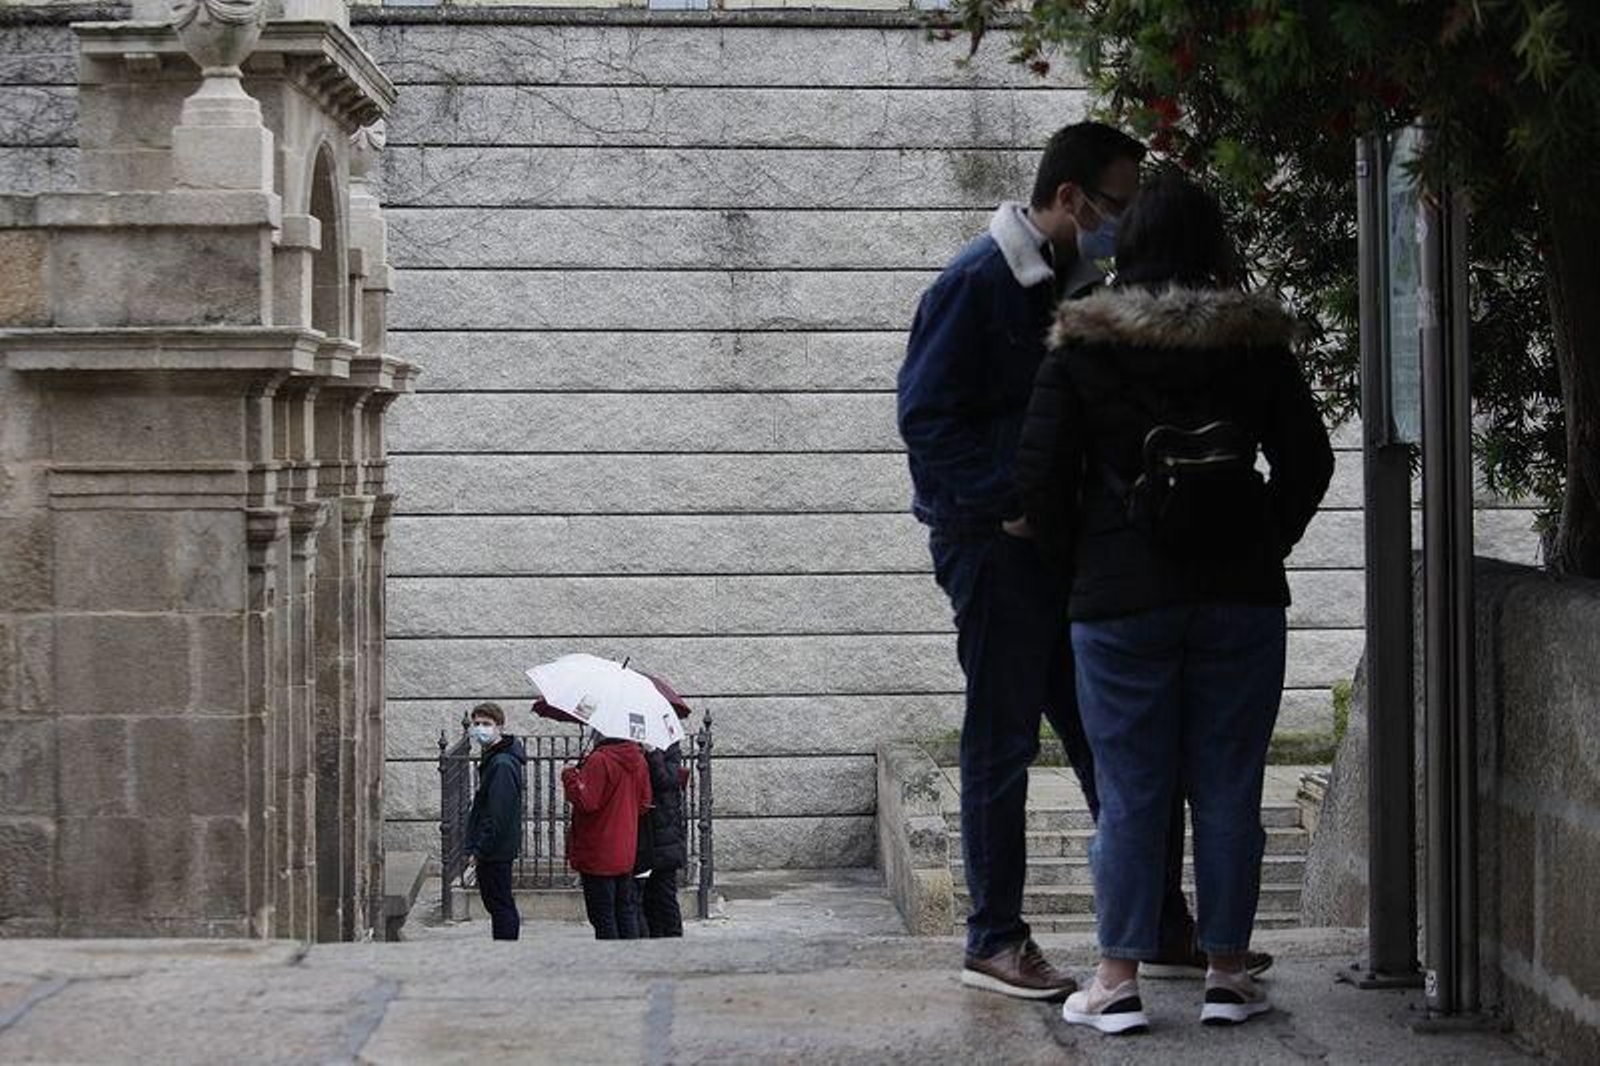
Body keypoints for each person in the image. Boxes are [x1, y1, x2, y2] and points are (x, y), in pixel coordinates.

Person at [1016, 174, 1334, 1032]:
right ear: (1214, 246)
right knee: (1231, 788)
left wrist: (1082, 565)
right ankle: (1227, 972)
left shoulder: (1083, 346)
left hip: (1119, 606)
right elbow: (1310, 462)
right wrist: (1263, 539)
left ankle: (1116, 982)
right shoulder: (1253, 346)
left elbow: (1041, 481)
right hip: (1240, 598)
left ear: (1126, 247)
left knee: (1131, 791)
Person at [899, 120, 1160, 1000]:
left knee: (1099, 735)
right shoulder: (978, 283)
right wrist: (1008, 504)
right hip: (994, 547)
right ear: (1068, 198)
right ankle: (995, 940)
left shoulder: (1071, 281)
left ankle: (1150, 921)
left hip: (1054, 548)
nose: (1121, 222)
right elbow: (926, 421)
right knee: (1003, 740)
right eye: (1115, 205)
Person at [562, 730, 653, 940]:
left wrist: (569, 776)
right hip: (625, 849)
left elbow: (587, 801)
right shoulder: (639, 759)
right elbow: (644, 804)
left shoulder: (599, 759)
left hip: (598, 851)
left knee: (603, 917)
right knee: (625, 911)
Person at [464, 701, 526, 941]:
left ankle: (506, 951)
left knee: (500, 905)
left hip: (496, 849)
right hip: (496, 846)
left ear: (499, 727)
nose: (480, 728)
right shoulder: (496, 757)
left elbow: (497, 814)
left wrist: (479, 850)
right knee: (498, 904)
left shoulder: (501, 763)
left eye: (486, 724)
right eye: (476, 723)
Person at [639, 742, 687, 937]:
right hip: (643, 831)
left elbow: (665, 780)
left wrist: (652, 753)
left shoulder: (669, 746)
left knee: (665, 894)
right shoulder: (633, 743)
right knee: (646, 897)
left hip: (664, 832)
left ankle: (674, 940)